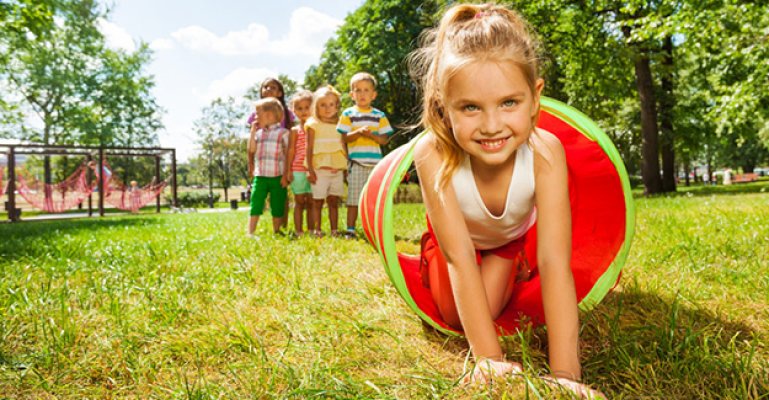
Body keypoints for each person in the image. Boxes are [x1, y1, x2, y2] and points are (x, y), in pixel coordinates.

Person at [409, 4, 603, 397]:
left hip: (504, 244)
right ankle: (424, 261)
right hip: (453, 247)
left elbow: (554, 262)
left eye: (509, 103)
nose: (492, 125)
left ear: (536, 98)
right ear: (444, 108)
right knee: (452, 315)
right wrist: (488, 360)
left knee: (492, 306)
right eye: (470, 107)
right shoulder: (433, 153)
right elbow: (459, 257)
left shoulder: (546, 151)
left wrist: (566, 374)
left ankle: (513, 266)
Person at [337, 72, 394, 238]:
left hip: (376, 165)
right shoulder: (348, 114)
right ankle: (350, 229)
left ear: (373, 94)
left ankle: (375, 229)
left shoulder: (379, 115)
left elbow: (384, 140)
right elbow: (344, 138)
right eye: (358, 90)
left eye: (366, 90)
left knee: (375, 199)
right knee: (354, 198)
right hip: (357, 163)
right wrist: (359, 132)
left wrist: (372, 136)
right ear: (352, 95)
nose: (362, 94)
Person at [305, 86, 347, 237]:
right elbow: (308, 148)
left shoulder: (341, 124)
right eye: (323, 105)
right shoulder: (313, 124)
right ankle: (318, 230)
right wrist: (309, 169)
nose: (327, 108)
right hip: (319, 170)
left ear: (337, 106)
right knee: (317, 201)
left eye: (331, 104)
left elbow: (343, 145)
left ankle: (334, 230)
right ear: (316, 107)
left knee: (333, 201)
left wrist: (346, 167)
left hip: (337, 170)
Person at [246, 98, 290, 236]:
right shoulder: (258, 134)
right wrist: (252, 132)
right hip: (261, 176)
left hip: (278, 176)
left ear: (269, 115)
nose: (255, 117)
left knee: (277, 204)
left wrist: (286, 175)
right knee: (256, 203)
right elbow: (251, 149)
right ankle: (251, 232)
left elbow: (288, 154)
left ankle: (277, 231)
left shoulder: (283, 133)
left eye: (258, 114)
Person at [286, 90, 314, 236]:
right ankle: (298, 230)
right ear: (294, 110)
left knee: (311, 202)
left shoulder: (316, 128)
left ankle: (311, 230)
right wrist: (288, 171)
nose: (303, 111)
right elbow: (291, 151)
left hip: (313, 170)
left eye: (307, 107)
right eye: (299, 108)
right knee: (299, 202)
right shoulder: (295, 130)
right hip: (298, 170)